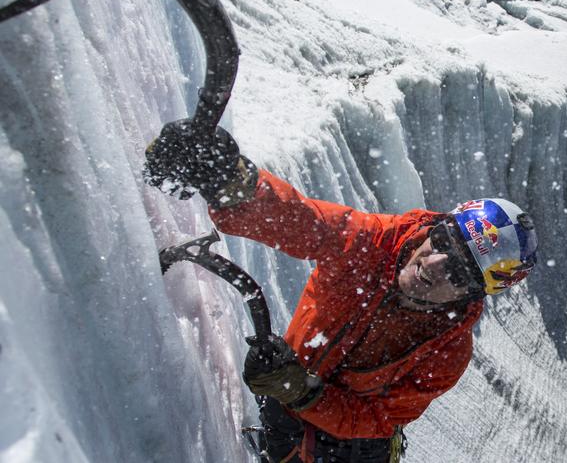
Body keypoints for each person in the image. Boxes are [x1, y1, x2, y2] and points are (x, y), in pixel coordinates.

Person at [144, 122, 538, 463]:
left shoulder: (448, 351)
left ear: (473, 293)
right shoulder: (374, 245)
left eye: (457, 269)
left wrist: (304, 393)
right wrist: (229, 181)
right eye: (442, 241)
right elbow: (302, 221)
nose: (431, 264)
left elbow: (377, 419)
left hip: (348, 446)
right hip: (290, 399)